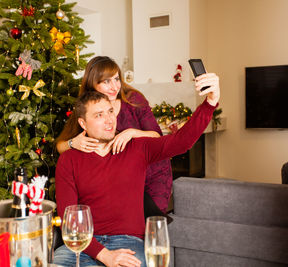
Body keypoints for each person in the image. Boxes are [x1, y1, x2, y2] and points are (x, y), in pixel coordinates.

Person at [54, 73, 220, 267]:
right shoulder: (69, 160)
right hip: (82, 246)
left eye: (110, 111)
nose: (109, 120)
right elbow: (70, 221)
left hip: (129, 243)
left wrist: (210, 102)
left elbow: (182, 141)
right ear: (83, 123)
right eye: (99, 115)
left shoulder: (136, 147)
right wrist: (105, 255)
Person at [56, 56, 173, 215]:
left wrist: (131, 133)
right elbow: (60, 146)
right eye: (106, 81)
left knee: (150, 226)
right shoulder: (87, 106)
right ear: (92, 83)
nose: (114, 87)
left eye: (117, 79)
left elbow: (157, 138)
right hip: (120, 183)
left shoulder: (133, 99)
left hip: (152, 176)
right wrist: (73, 143)